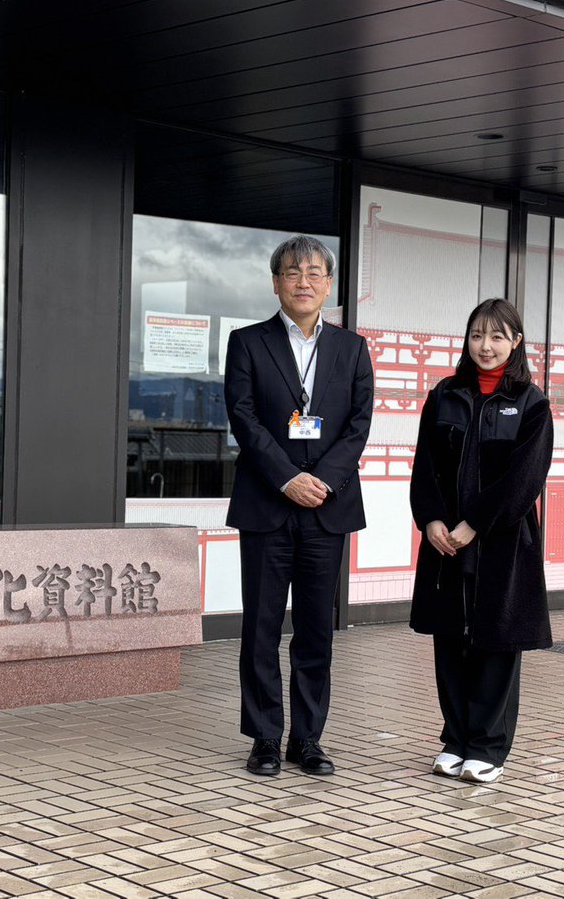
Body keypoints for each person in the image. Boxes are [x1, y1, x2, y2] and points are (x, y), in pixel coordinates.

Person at [224, 235, 374, 776]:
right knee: (261, 625)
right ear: (276, 282)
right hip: (267, 502)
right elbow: (244, 418)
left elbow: (359, 426)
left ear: (328, 284)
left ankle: (307, 739)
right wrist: (288, 478)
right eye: (292, 273)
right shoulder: (247, 343)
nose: (303, 281)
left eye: (314, 273)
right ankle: (265, 737)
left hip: (326, 507)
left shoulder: (352, 349)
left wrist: (321, 481)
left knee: (315, 628)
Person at [409, 298, 553, 784]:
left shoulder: (532, 403)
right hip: (445, 542)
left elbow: (524, 478)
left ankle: (488, 747)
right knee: (450, 640)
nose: (485, 346)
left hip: (502, 545)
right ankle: (456, 739)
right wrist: (431, 520)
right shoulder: (445, 395)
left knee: (494, 643)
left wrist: (474, 522)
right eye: (477, 335)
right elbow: (425, 466)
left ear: (515, 342)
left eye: (496, 336)